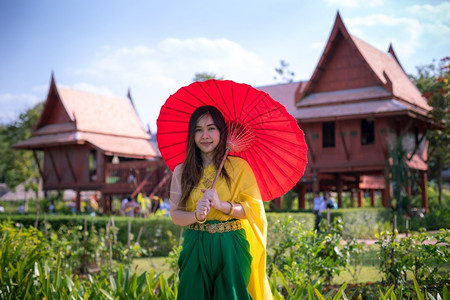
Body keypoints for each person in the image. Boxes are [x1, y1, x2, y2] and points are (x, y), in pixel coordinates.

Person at [169, 106, 272, 300]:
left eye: (211, 128)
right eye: (198, 130)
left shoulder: (239, 167)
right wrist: (196, 216)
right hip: (196, 243)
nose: (205, 135)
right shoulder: (181, 171)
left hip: (230, 244)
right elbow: (175, 215)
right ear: (192, 135)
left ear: (221, 132)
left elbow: (253, 210)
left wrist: (221, 205)